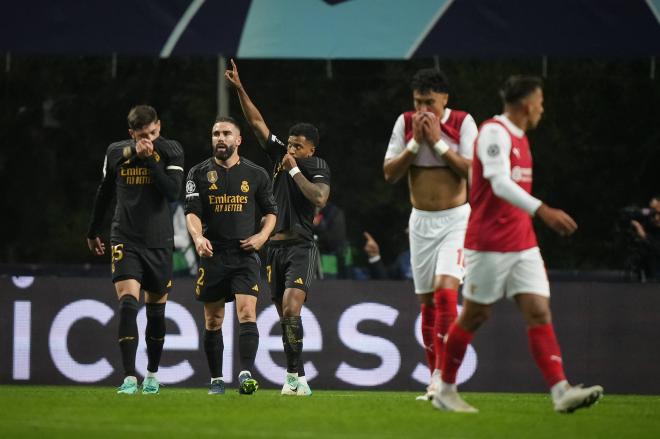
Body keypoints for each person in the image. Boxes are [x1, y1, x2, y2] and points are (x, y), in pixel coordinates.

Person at [433, 75, 604, 413]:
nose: (542, 108)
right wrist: (543, 209)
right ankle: (445, 389)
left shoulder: (522, 138)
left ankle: (561, 391)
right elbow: (497, 183)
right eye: (540, 102)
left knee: (539, 311)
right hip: (488, 243)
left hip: (522, 243)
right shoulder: (493, 133)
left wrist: (532, 218)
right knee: (475, 314)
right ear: (527, 104)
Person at [225, 59, 331, 396]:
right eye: (289, 143)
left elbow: (320, 198)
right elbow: (256, 123)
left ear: (311, 149)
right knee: (284, 316)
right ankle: (298, 378)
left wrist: (295, 170)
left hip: (301, 247)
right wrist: (240, 88)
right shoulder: (279, 156)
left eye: (298, 145)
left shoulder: (315, 166)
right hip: (274, 249)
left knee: (290, 308)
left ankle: (290, 378)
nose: (291, 149)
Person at [383, 68, 478, 400]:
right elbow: (389, 173)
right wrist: (415, 144)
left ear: (445, 100)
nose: (424, 109)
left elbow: (472, 171)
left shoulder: (463, 122)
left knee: (445, 293)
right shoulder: (405, 123)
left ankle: (446, 378)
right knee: (427, 303)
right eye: (418, 102)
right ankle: (435, 378)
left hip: (456, 220)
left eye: (430, 102)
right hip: (421, 223)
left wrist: (437, 143)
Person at [86, 105, 184, 394]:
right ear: (131, 134)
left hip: (159, 241)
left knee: (155, 312)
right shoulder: (116, 152)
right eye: (142, 135)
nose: (148, 139)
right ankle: (129, 376)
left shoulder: (171, 150)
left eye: (153, 133)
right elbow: (104, 191)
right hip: (125, 238)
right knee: (128, 302)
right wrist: (93, 230)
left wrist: (150, 160)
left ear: (159, 126)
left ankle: (152, 375)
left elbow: (172, 192)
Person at [185, 116, 277, 395]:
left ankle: (246, 373)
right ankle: (216, 380)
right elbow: (192, 213)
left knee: (247, 312)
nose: (220, 138)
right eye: (215, 134)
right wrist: (198, 237)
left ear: (238, 140)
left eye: (226, 133)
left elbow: (272, 212)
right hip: (212, 254)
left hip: (244, 254)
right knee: (213, 320)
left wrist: (262, 237)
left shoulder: (257, 173)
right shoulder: (197, 173)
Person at [630, 196, 660, 281]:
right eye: (652, 209)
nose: (656, 217)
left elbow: (652, 243)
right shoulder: (649, 216)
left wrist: (639, 227)